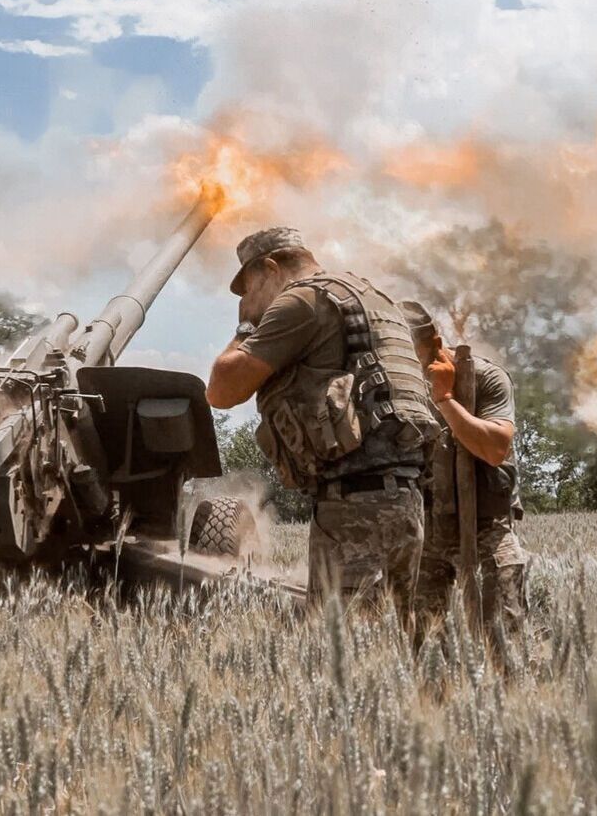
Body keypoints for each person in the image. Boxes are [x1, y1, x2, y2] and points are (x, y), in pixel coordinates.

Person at [205, 227, 440, 613]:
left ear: (269, 268)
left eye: (248, 287)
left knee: (341, 650)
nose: (246, 299)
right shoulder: (374, 298)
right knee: (392, 645)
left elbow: (222, 390)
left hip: (354, 507)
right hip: (406, 501)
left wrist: (246, 326)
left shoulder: (303, 300)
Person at [402, 302, 531, 659]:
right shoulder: (401, 387)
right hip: (430, 531)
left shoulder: (486, 378)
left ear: (435, 343)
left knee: (505, 642)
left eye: (411, 353)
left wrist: (444, 399)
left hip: (488, 527)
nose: (406, 365)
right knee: (421, 648)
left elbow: (494, 449)